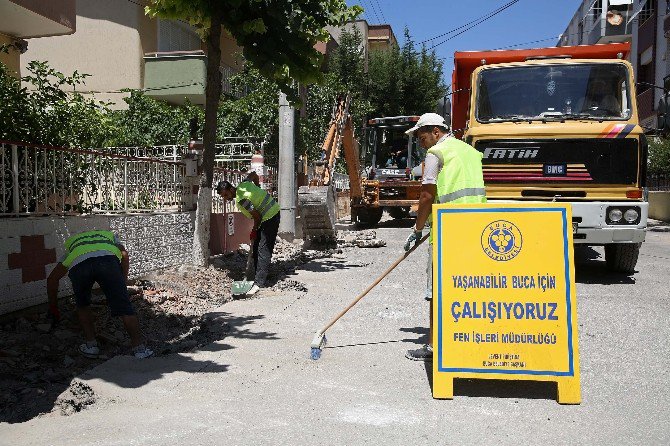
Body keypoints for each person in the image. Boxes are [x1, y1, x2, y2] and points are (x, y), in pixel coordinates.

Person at [402, 113, 486, 361]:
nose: (421, 142)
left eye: (422, 136)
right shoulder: (469, 151)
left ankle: (433, 347)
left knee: (437, 288)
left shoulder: (436, 153)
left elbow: (427, 195)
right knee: (470, 286)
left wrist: (417, 230)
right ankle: (472, 339)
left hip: (448, 230)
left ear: (436, 131)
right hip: (477, 226)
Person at [46, 230, 153, 359]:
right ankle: (139, 350)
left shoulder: (73, 246)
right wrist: (122, 282)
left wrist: (54, 308)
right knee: (125, 307)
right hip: (107, 262)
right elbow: (124, 254)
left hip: (80, 266)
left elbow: (52, 279)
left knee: (83, 305)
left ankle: (91, 347)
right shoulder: (110, 237)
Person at [216, 179, 280, 296]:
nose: (225, 198)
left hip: (270, 216)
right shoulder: (244, 185)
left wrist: (254, 230)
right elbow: (253, 176)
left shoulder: (242, 200)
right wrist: (258, 188)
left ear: (231, 189)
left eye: (226, 195)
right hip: (269, 213)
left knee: (263, 249)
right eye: (223, 197)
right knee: (255, 247)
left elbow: (257, 216)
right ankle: (254, 276)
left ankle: (259, 283)